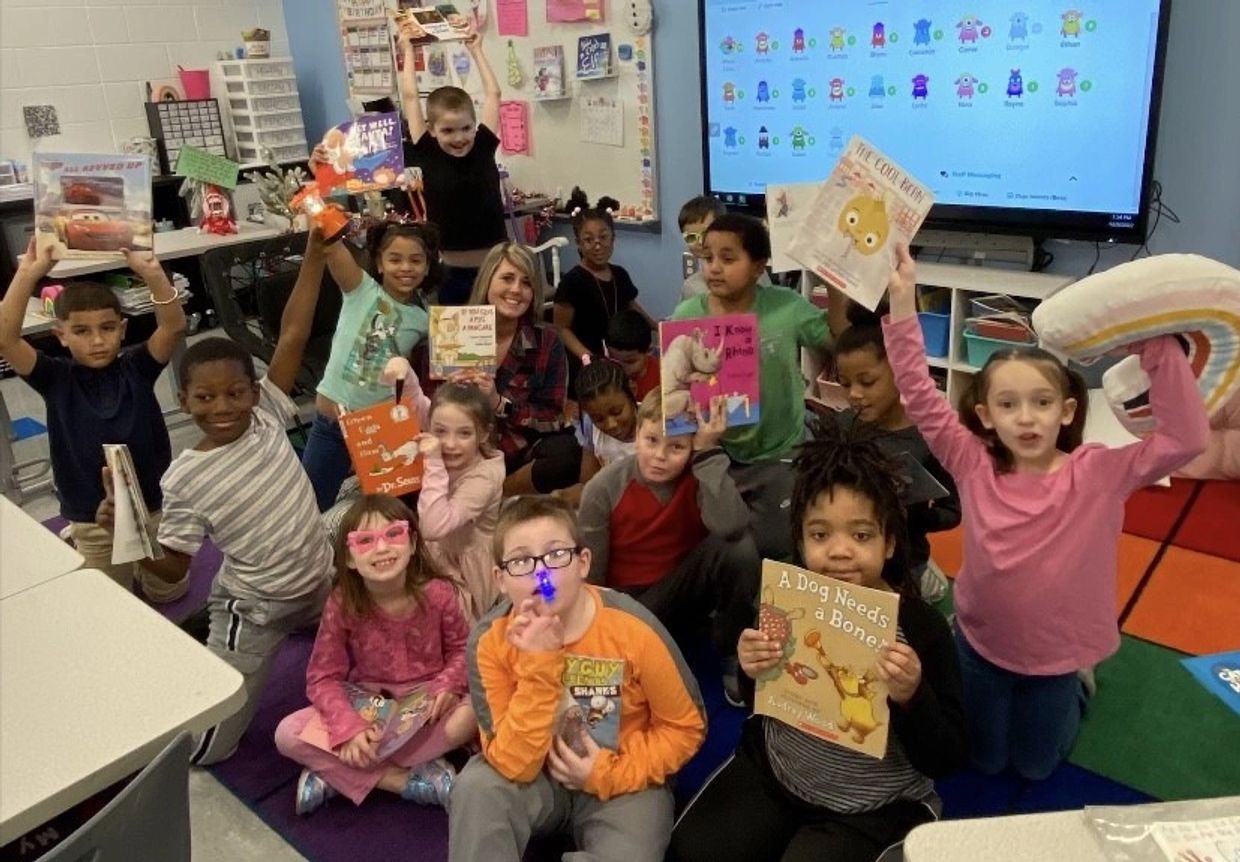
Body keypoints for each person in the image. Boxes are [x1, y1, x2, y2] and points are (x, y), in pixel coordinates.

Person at [882, 244, 1208, 780]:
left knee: (1036, 769)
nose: (1026, 419)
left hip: (1058, 660)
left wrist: (1157, 346)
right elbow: (918, 392)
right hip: (983, 645)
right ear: (985, 416)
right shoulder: (972, 461)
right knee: (983, 763)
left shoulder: (1099, 473)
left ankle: (1083, 683)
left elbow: (1185, 439)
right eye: (1008, 405)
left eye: (1041, 402)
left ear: (1068, 410)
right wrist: (902, 302)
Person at [668, 424, 967, 862]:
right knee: (692, 850)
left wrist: (912, 696)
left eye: (861, 535)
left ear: (888, 544)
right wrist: (754, 670)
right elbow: (764, 703)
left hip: (871, 805)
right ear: (802, 540)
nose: (840, 551)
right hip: (777, 769)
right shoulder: (788, 601)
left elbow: (947, 756)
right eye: (821, 535)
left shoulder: (921, 629)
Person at [96, 231, 338, 765]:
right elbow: (170, 566)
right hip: (257, 607)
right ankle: (206, 634)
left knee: (363, 526)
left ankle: (239, 623)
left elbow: (293, 330)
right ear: (183, 401)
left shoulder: (269, 413)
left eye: (234, 393)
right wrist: (128, 532)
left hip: (320, 580)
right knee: (207, 750)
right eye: (204, 397)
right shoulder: (185, 478)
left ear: (255, 392)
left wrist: (316, 256)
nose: (222, 407)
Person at [449, 495, 706, 862]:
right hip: (535, 774)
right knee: (477, 787)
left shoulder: (635, 629)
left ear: (583, 563)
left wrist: (607, 773)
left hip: (622, 777)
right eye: (522, 561)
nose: (542, 575)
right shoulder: (490, 640)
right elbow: (511, 763)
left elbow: (686, 728)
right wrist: (539, 664)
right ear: (500, 580)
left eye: (556, 555)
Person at [0, 239, 187, 599]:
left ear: (123, 329)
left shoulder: (138, 367)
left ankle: (139, 564)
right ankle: (78, 540)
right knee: (106, 600)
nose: (98, 340)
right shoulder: (55, 377)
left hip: (154, 505)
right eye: (82, 332)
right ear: (61, 335)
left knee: (170, 594)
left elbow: (172, 326)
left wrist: (151, 273)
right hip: (90, 516)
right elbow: (7, 339)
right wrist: (27, 273)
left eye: (108, 328)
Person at [274, 495, 477, 815]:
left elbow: (463, 651)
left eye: (393, 534)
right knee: (287, 734)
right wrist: (349, 728)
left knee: (475, 712)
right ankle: (398, 780)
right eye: (365, 541)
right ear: (350, 559)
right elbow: (322, 676)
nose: (381, 549)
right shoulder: (342, 603)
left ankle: (337, 772)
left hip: (428, 708)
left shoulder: (438, 593)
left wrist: (447, 684)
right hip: (369, 707)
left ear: (412, 544)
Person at [579, 388, 760, 704]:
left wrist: (707, 454)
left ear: (692, 449)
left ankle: (732, 649)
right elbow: (592, 580)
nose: (660, 455)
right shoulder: (602, 489)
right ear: (637, 435)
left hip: (687, 592)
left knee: (739, 548)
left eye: (676, 447)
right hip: (633, 606)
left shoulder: (701, 473)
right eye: (651, 441)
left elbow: (731, 528)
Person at [670, 213, 832, 562]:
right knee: (725, 543)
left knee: (782, 544)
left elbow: (834, 337)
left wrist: (837, 276)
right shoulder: (686, 315)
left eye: (728, 259)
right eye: (708, 258)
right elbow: (674, 389)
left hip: (781, 451)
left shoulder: (786, 307)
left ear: (759, 266)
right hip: (717, 452)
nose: (714, 268)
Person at [299, 218, 436, 511]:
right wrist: (320, 210)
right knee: (311, 506)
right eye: (395, 259)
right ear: (380, 262)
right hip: (331, 424)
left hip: (381, 429)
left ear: (427, 267)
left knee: (389, 509)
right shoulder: (361, 289)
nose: (406, 268)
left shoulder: (424, 321)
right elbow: (332, 246)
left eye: (415, 260)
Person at [825, 322, 961, 600]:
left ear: (902, 372)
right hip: (848, 556)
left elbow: (952, 511)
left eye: (867, 382)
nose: (854, 394)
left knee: (919, 606)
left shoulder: (932, 438)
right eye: (846, 384)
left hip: (907, 559)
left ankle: (935, 583)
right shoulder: (841, 427)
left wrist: (913, 515)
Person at [383, 356, 507, 622]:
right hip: (436, 554)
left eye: (464, 434)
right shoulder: (436, 423)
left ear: (483, 434)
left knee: (443, 626)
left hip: (466, 571)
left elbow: (434, 527)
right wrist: (405, 371)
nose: (450, 444)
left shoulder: (484, 477)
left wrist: (435, 461)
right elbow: (416, 402)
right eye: (440, 432)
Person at [397, 19, 505, 305]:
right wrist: (408, 51)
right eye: (447, 130)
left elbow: (494, 95)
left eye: (466, 128)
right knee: (458, 347)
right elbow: (410, 97)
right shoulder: (427, 150)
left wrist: (476, 49)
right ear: (432, 129)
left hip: (494, 268)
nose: (459, 137)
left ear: (475, 125)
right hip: (450, 272)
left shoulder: (483, 146)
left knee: (499, 342)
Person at [461, 242, 579, 496]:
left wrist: (500, 404)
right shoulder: (454, 330)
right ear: (487, 281)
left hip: (517, 453)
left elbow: (552, 417)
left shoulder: (547, 340)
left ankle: (500, 495)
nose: (516, 289)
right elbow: (428, 408)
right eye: (507, 278)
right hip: (463, 451)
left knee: (566, 453)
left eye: (526, 283)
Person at [553, 190, 655, 391]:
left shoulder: (620, 274)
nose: (597, 245)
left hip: (618, 355)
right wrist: (587, 356)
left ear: (613, 239)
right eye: (589, 240)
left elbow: (630, 305)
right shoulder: (572, 281)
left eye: (603, 237)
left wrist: (654, 324)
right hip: (587, 362)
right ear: (579, 244)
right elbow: (561, 328)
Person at [678, 195, 772, 300]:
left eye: (706, 233)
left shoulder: (750, 270)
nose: (700, 242)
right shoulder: (690, 287)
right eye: (691, 237)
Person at [604, 308, 660, 400]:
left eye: (630, 362)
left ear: (648, 351)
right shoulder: (606, 376)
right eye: (614, 360)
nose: (623, 368)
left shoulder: (660, 375)